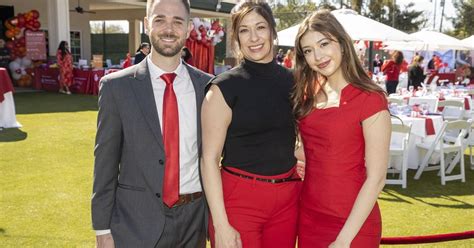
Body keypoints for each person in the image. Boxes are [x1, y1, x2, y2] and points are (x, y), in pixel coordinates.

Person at [91, 0, 212, 247]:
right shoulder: (117, 87)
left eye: (177, 21)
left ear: (188, 27)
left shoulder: (209, 87)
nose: (169, 29)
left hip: (194, 222)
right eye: (160, 20)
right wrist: (102, 229)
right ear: (147, 24)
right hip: (135, 222)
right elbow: (105, 162)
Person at [201, 2, 302, 248]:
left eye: (260, 27)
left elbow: (298, 136)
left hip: (288, 199)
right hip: (239, 201)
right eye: (244, 30)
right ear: (236, 37)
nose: (254, 37)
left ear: (273, 31)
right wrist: (221, 224)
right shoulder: (222, 88)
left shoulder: (295, 81)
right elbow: (209, 160)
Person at [292, 9, 390, 247]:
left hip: (354, 225)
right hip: (309, 218)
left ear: (343, 44)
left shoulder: (370, 99)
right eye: (308, 50)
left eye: (324, 43)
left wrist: (343, 241)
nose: (317, 55)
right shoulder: (308, 97)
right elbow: (314, 152)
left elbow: (377, 178)